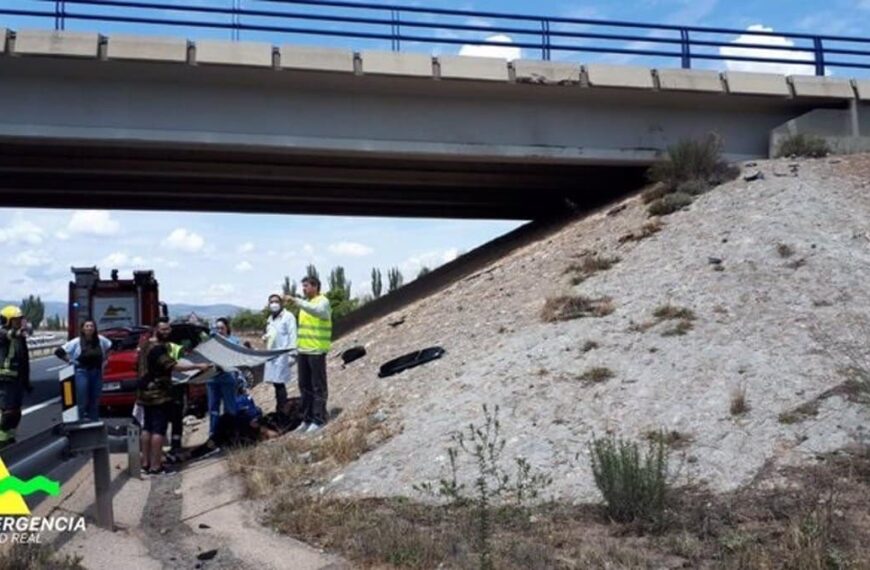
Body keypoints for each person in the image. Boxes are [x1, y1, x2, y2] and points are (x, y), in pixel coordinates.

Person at [138, 317, 209, 475]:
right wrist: (198, 366)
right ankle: (156, 466)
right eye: (163, 329)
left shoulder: (145, 345)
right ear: (156, 329)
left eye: (168, 329)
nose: (167, 332)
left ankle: (145, 463)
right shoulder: (157, 348)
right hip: (158, 393)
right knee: (158, 430)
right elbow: (173, 366)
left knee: (147, 427)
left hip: (145, 392)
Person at [285, 275, 332, 434]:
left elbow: (318, 312)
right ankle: (307, 418)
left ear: (315, 287)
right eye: (303, 286)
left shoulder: (322, 301)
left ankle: (319, 418)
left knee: (318, 385)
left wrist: (297, 301)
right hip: (303, 351)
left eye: (306, 286)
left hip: (317, 350)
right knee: (304, 386)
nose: (303, 289)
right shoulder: (307, 305)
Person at [55, 319, 113, 421]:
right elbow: (59, 351)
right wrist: (70, 361)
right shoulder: (76, 342)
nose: (89, 328)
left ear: (95, 328)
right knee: (82, 399)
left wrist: (106, 360)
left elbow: (111, 347)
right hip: (82, 372)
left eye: (92, 326)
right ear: (82, 328)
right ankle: (79, 422)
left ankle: (94, 423)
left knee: (95, 400)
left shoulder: (101, 340)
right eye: (87, 326)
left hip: (97, 373)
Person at [0, 306, 31, 449]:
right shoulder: (3, 333)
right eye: (16, 320)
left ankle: (10, 437)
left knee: (16, 412)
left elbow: (25, 359)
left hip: (17, 379)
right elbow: (8, 334)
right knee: (7, 411)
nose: (19, 322)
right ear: (7, 321)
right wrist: (19, 332)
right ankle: (2, 439)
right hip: (5, 379)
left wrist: (26, 380)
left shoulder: (20, 338)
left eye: (20, 319)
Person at [263, 293, 296, 413]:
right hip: (272, 355)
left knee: (280, 382)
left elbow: (293, 335)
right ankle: (280, 407)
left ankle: (282, 408)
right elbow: (273, 333)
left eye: (276, 301)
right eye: (271, 302)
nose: (274, 304)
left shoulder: (288, 316)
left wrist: (292, 354)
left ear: (281, 303)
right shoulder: (270, 319)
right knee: (276, 384)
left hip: (283, 354)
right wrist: (266, 336)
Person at [206, 317, 239, 438]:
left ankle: (231, 434)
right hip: (212, 379)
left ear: (227, 328)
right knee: (213, 408)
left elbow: (236, 358)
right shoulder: (211, 342)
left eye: (222, 328)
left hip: (228, 378)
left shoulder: (233, 341)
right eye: (217, 328)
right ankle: (213, 433)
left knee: (230, 407)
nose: (219, 330)